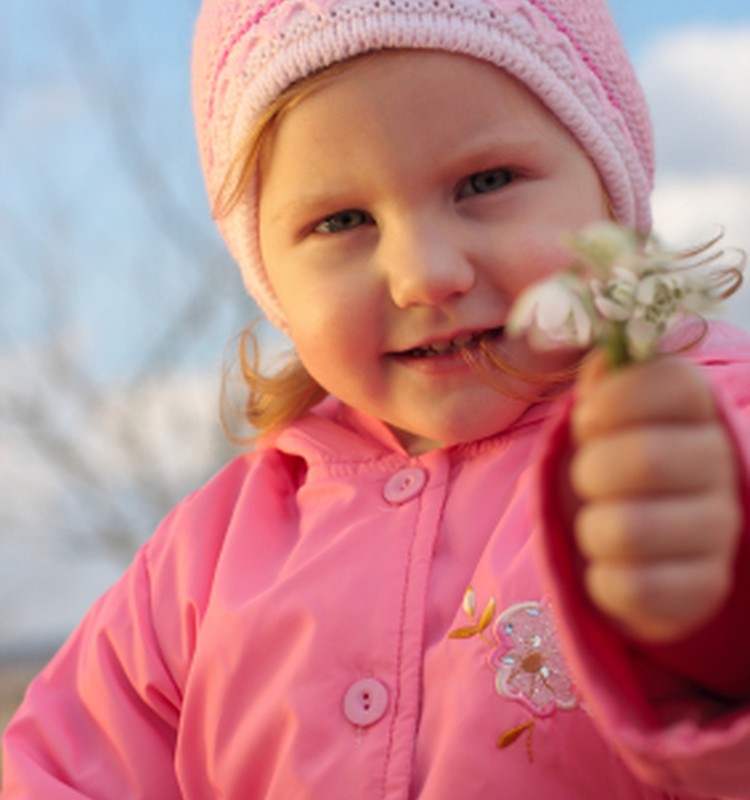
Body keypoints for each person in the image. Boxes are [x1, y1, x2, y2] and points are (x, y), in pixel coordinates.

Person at [3, 0, 750, 797]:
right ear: (269, 275)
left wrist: (711, 610)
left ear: (609, 187)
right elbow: (57, 771)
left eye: (486, 182)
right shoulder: (207, 557)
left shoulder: (704, 435)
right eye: (342, 220)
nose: (424, 273)